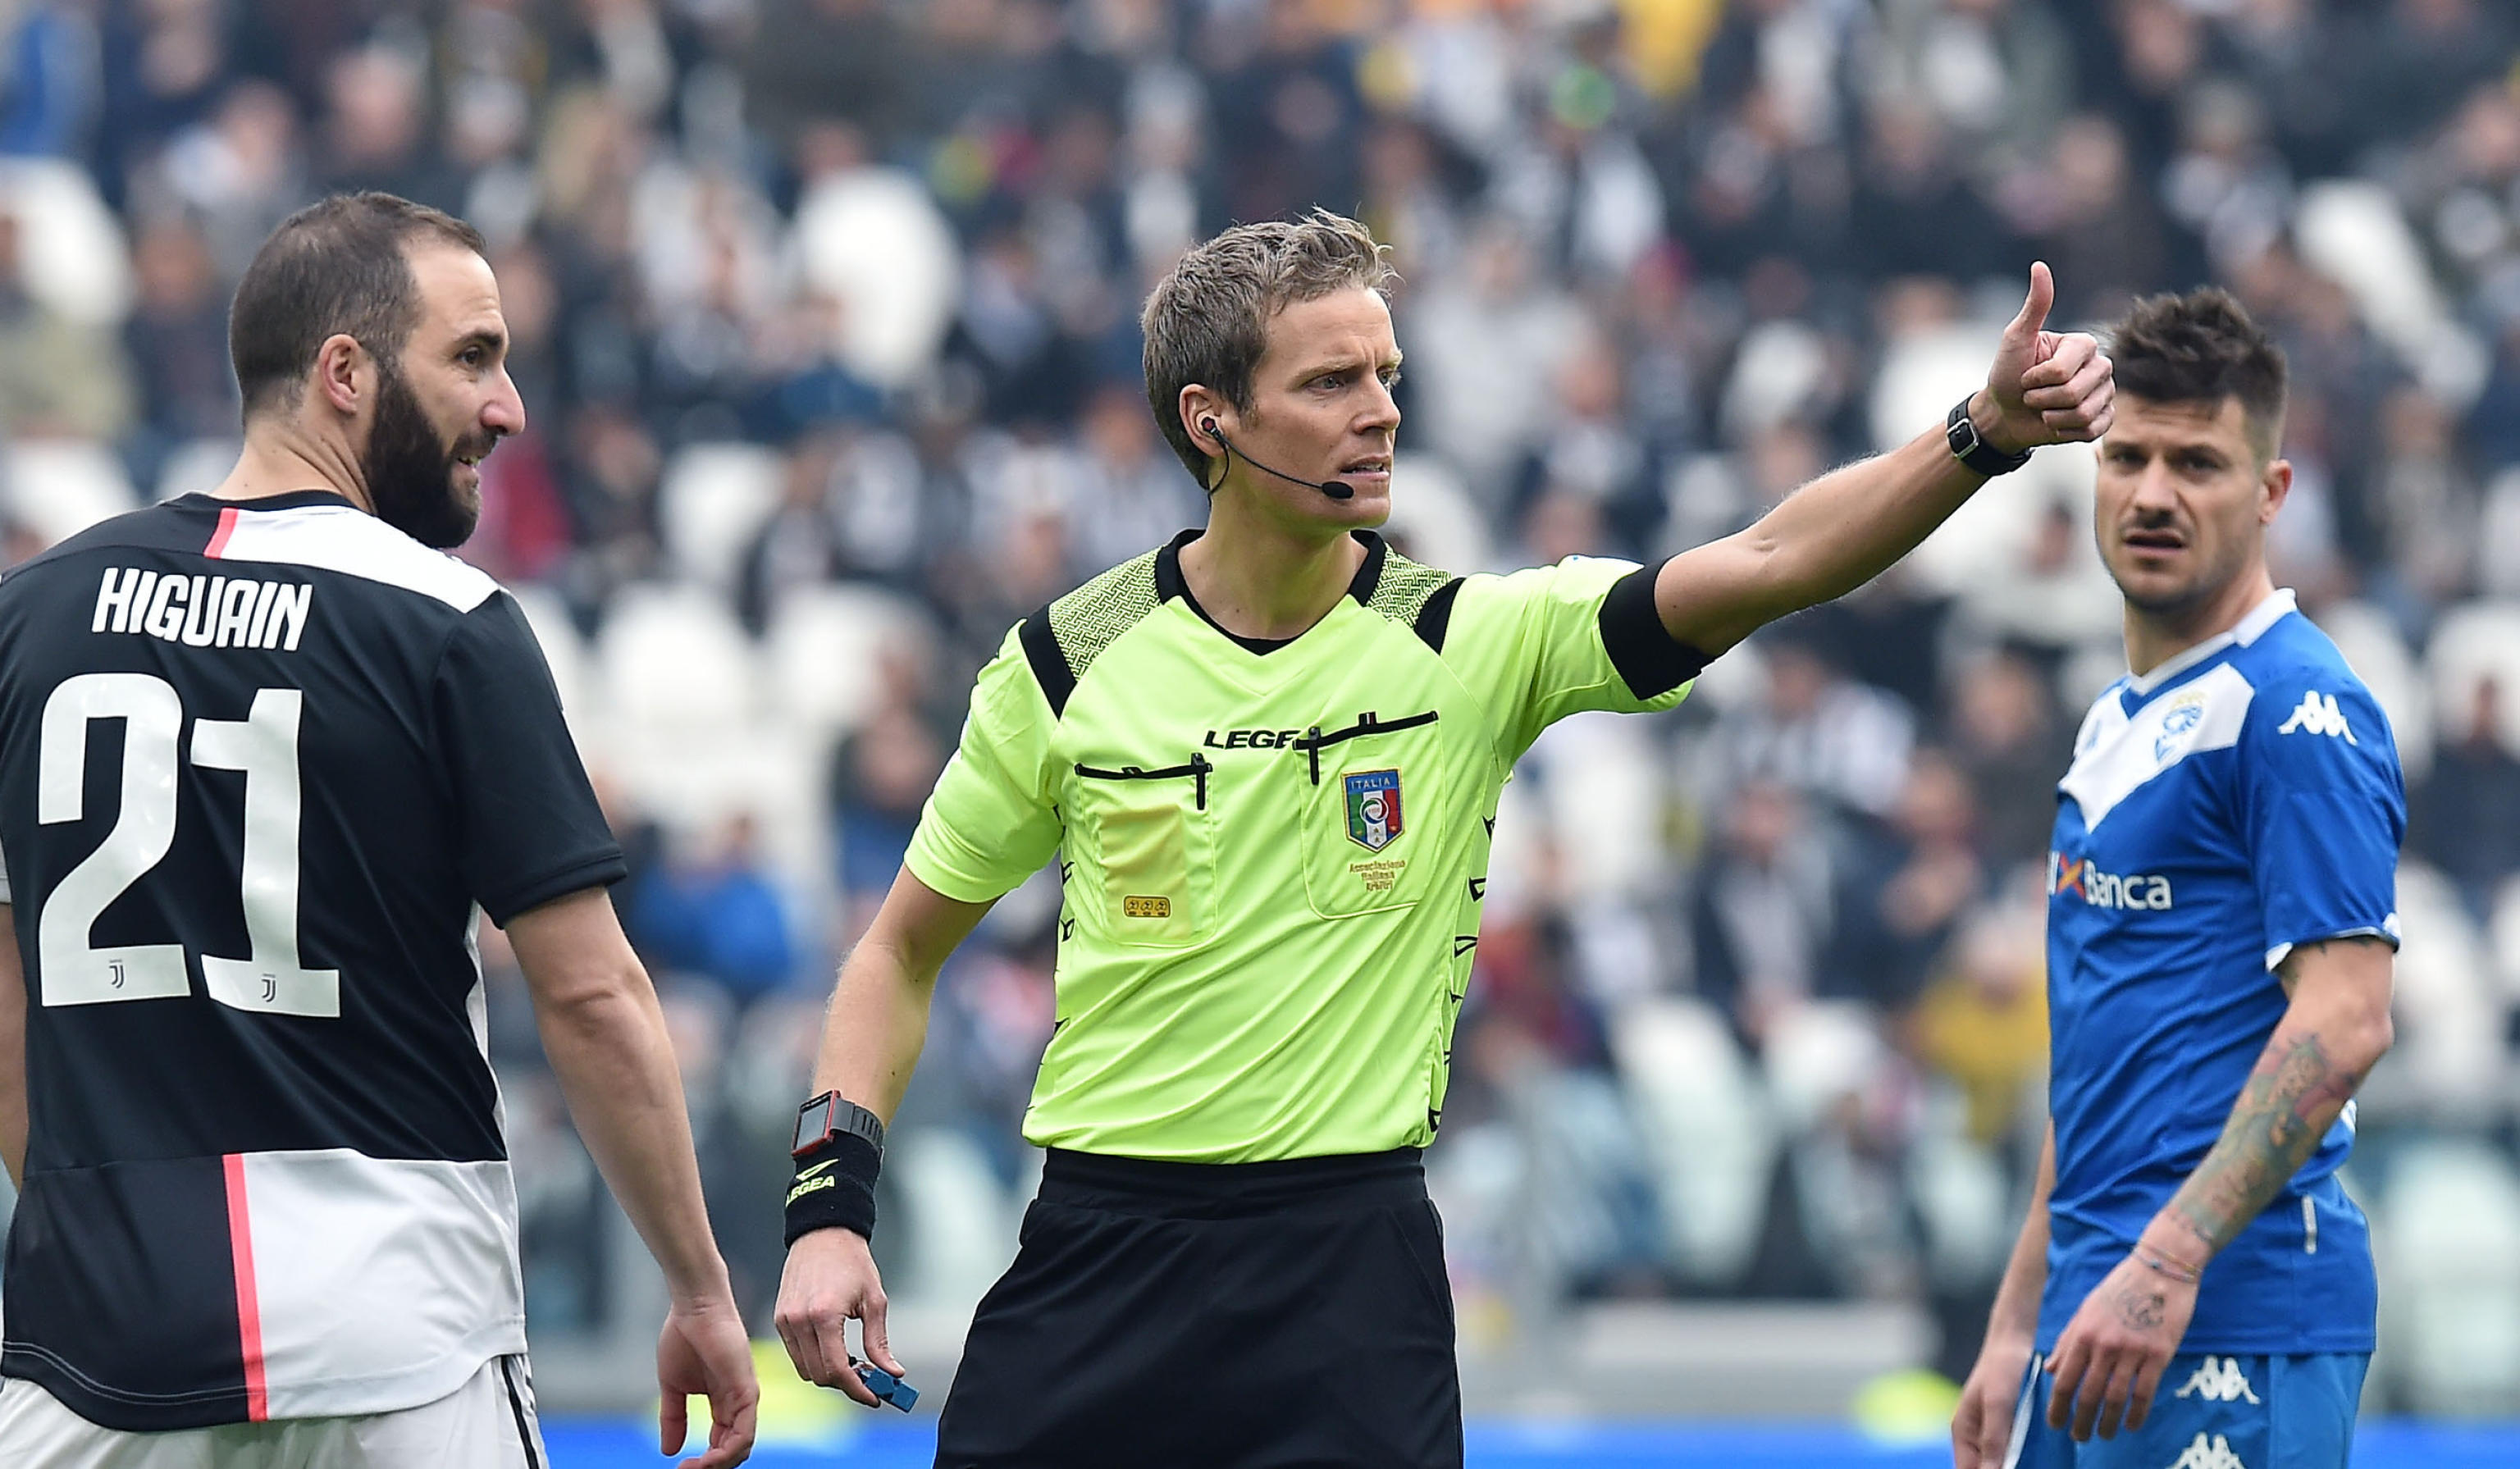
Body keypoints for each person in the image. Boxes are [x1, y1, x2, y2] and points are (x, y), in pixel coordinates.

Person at [773, 209, 2112, 1467]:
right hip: (1100, 1256)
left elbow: (1769, 560)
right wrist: (828, 1216)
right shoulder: (1068, 662)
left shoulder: (1469, 641)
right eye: (1330, 383)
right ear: (1212, 420)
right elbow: (896, 954)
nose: (1382, 412)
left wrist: (1979, 434)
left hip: (1350, 1279)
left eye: (1388, 373)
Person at [0, 194, 757, 1468]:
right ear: (343, 372)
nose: (508, 406)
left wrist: (108, 1224)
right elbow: (590, 997)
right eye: (472, 357)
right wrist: (697, 1287)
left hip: (92, 1368)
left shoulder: (29, 618)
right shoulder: (449, 623)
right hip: (397, 1343)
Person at [1951, 289, 2403, 1469]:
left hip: (2233, 1320)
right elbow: (2100, 1056)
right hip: (2087, 1324)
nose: (2153, 493)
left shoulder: (2297, 708)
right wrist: (2014, 1327)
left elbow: (2348, 1019)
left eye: (2198, 463)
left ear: (2272, 493)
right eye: (2130, 458)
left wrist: (2167, 1262)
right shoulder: (2115, 721)